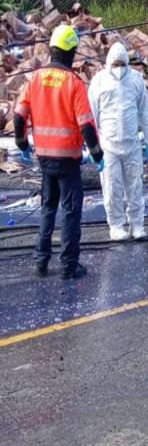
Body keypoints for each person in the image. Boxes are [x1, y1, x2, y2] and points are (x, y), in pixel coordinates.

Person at [14, 24, 104, 280]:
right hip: (68, 160)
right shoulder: (74, 83)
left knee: (48, 208)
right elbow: (86, 124)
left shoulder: (35, 79)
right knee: (71, 210)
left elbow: (19, 117)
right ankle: (68, 265)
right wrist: (97, 154)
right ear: (71, 51)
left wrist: (23, 145)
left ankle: (41, 261)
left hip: (44, 158)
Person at [88, 42, 148, 241]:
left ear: (127, 63)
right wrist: (93, 147)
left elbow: (145, 111)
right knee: (111, 187)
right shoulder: (99, 81)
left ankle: (137, 224)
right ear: (109, 63)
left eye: (121, 64)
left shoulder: (136, 80)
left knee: (135, 186)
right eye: (115, 64)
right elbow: (91, 115)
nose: (118, 69)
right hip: (108, 145)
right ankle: (116, 225)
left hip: (132, 143)